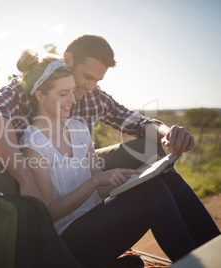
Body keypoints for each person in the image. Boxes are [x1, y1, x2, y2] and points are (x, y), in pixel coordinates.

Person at [16, 49, 220, 266]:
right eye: (63, 93)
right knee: (153, 190)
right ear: (41, 96)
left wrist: (134, 178)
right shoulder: (33, 144)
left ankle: (215, 254)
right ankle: (196, 265)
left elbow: (100, 192)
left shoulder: (78, 129)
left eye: (72, 91)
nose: (72, 100)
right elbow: (49, 212)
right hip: (67, 241)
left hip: (98, 224)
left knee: (164, 178)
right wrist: (95, 181)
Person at [0, 34, 195, 198]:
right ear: (68, 59)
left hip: (80, 169)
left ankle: (207, 244)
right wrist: (28, 182)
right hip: (35, 179)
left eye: (97, 81)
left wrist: (169, 133)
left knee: (150, 151)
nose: (90, 87)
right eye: (87, 76)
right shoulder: (29, 86)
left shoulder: (94, 96)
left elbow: (137, 122)